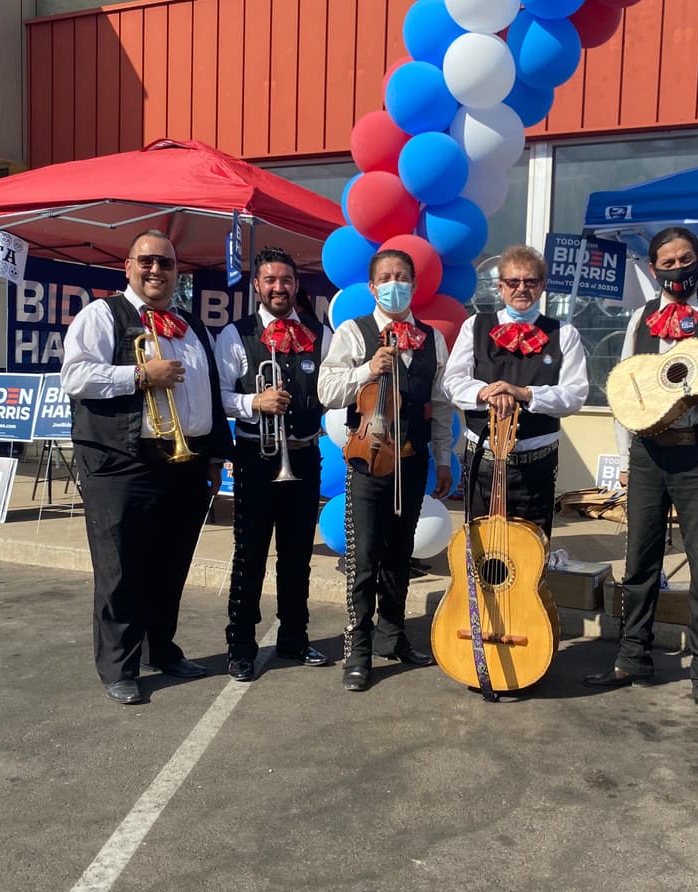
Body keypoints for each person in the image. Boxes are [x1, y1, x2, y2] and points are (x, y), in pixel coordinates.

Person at [583, 226, 698, 729]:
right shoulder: (640, 318)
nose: (678, 269)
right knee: (638, 562)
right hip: (646, 456)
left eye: (686, 258)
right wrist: (622, 462)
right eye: (668, 261)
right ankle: (631, 657)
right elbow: (625, 395)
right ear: (652, 267)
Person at [61, 229, 233, 705]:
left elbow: (209, 398)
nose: (156, 270)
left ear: (178, 273)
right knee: (121, 570)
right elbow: (74, 376)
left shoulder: (191, 325)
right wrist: (139, 374)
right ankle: (119, 666)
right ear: (129, 266)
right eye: (147, 262)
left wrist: (215, 455)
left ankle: (163, 649)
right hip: (121, 462)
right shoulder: (102, 315)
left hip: (185, 461)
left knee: (170, 564)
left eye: (167, 264)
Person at [318, 249, 455, 692]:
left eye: (402, 277)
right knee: (363, 560)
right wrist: (365, 370)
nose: (394, 283)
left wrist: (442, 456)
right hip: (368, 461)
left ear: (413, 286)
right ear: (373, 287)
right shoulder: (353, 332)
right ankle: (356, 651)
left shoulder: (432, 339)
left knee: (400, 556)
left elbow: (441, 405)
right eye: (385, 277)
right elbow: (326, 388)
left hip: (412, 460)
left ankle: (392, 637)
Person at [214, 247, 330, 682]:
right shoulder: (235, 334)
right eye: (269, 281)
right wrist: (253, 402)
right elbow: (219, 394)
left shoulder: (320, 335)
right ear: (257, 286)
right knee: (250, 555)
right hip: (256, 458)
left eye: (285, 280)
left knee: (297, 555)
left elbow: (333, 386)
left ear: (296, 285)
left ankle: (294, 638)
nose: (278, 288)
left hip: (303, 454)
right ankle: (240, 646)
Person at [443, 244, 588, 537]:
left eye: (530, 282)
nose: (521, 289)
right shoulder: (475, 326)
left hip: (537, 464)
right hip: (483, 462)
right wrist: (486, 393)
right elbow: (452, 381)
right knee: (482, 551)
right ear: (500, 287)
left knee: (532, 552)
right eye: (513, 282)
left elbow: (575, 394)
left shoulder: (565, 334)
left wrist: (525, 393)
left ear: (542, 286)